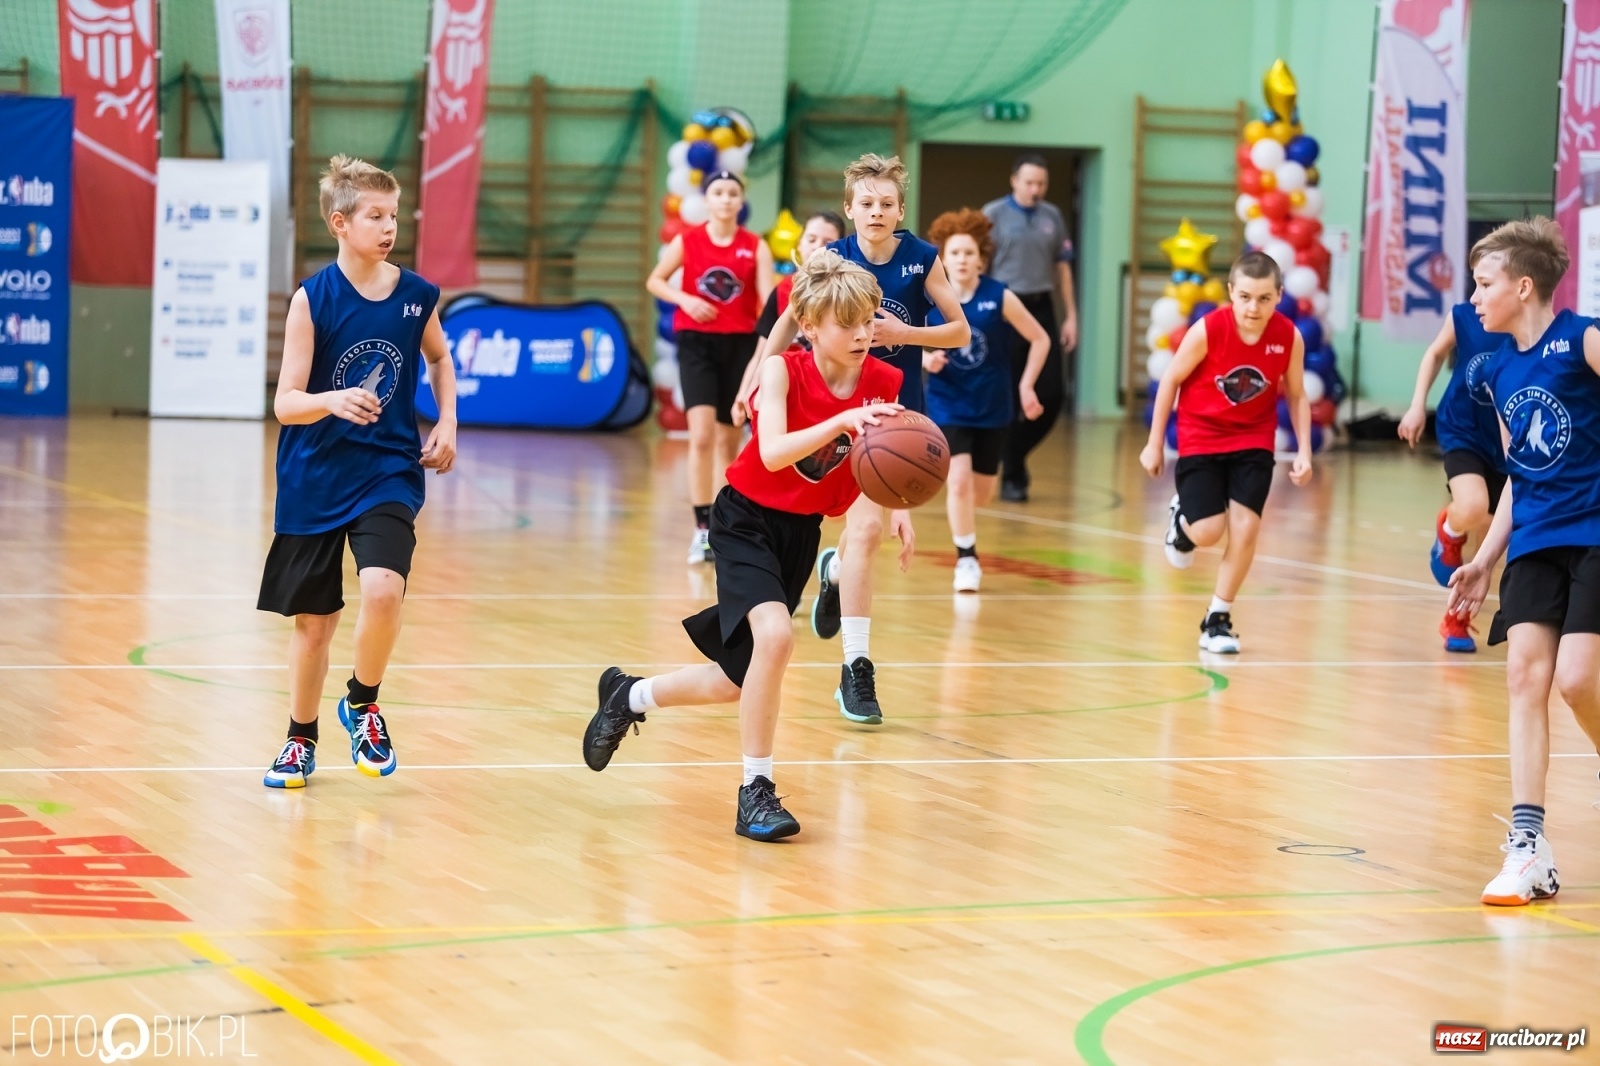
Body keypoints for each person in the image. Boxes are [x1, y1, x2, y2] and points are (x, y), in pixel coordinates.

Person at [582, 250, 904, 840]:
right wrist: (840, 423)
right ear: (809, 326)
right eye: (847, 324)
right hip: (744, 520)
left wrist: (896, 501)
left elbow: (879, 460)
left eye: (869, 321)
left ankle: (630, 695)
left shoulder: (884, 382)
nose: (863, 334)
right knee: (776, 637)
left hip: (800, 533)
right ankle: (755, 791)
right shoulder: (781, 371)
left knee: (736, 679)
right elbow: (774, 451)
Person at [258, 155, 458, 788]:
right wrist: (330, 400)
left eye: (393, 215)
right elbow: (286, 404)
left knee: (382, 589)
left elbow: (439, 359)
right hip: (315, 474)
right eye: (375, 216)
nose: (389, 227)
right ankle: (300, 738)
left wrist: (448, 420)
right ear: (340, 223)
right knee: (314, 625)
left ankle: (363, 703)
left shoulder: (416, 296)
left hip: (386, 469)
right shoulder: (312, 299)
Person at [754, 153, 969, 724]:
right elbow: (790, 317)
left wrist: (906, 332)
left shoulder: (921, 259)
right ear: (849, 209)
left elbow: (959, 330)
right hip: (834, 405)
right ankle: (845, 618)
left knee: (868, 531)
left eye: (887, 204)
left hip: (893, 410)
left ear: (901, 210)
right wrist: (760, 372)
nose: (877, 212)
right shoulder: (832, 259)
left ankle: (851, 651)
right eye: (866, 203)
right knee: (864, 531)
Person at [1447, 217, 1600, 906]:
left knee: (1577, 680)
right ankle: (1528, 844)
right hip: (1536, 538)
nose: (1474, 298)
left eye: (1484, 284)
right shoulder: (1501, 369)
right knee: (1523, 675)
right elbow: (1519, 472)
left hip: (1594, 532)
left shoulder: (1583, 339)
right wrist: (1484, 559)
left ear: (1524, 286)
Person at [1140, 251, 1312, 654]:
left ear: (1279, 296)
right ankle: (1182, 523)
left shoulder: (1288, 336)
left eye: (1265, 299)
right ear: (1231, 292)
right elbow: (1171, 380)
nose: (1254, 308)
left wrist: (1304, 449)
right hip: (1201, 436)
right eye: (1246, 297)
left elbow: (1298, 394)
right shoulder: (1208, 330)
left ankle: (1217, 619)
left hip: (1253, 439)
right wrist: (1154, 443)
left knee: (1247, 528)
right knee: (1208, 532)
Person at [646, 171, 774, 564]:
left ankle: (724, 522)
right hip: (696, 344)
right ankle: (701, 528)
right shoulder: (688, 241)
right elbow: (656, 281)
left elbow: (769, 301)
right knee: (700, 436)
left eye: (733, 193)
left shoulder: (755, 246)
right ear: (707, 200)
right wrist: (685, 300)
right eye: (718, 192)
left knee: (728, 442)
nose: (725, 199)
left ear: (740, 201)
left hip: (739, 345)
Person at [922, 208, 1050, 592]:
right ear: (943, 259)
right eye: (954, 252)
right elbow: (904, 341)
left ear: (981, 259)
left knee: (980, 494)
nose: (962, 259)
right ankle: (967, 559)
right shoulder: (930, 301)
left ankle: (966, 534)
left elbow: (1040, 339)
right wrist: (926, 360)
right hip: (947, 404)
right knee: (958, 483)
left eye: (969, 253)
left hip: (993, 406)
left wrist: (1027, 385)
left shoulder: (999, 296)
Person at [1398, 303, 1509, 652]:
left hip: (1508, 442)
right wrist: (1417, 405)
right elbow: (1434, 353)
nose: (1477, 295)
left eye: (1486, 284)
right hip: (1463, 430)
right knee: (1474, 507)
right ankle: (1449, 529)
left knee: (1491, 542)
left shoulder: (1537, 331)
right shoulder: (1464, 316)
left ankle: (1456, 618)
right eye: (1476, 283)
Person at [982, 154, 1079, 502]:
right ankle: (1013, 476)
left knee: (1052, 394)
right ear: (1014, 181)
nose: (1036, 189)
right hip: (1005, 307)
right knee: (1009, 394)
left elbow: (1062, 268)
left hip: (1041, 307)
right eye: (1029, 182)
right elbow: (980, 267)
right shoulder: (993, 214)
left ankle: (1013, 456)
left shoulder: (1052, 216)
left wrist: (1071, 316)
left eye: (1041, 183)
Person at [731, 210, 846, 425]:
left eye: (827, 242)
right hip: (785, 389)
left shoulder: (847, 292)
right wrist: (744, 392)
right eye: (811, 239)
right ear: (799, 244)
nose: (817, 247)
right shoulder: (782, 291)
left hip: (830, 393)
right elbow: (761, 352)